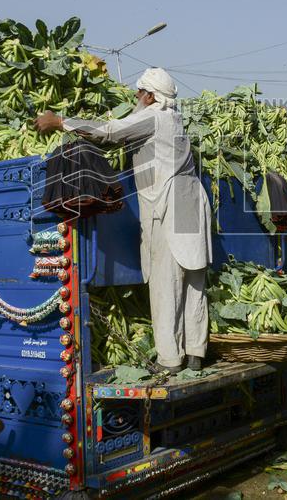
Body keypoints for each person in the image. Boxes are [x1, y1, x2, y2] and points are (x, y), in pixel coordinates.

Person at [34, 67, 212, 375]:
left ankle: (170, 358)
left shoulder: (153, 116)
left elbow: (110, 131)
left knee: (165, 279)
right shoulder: (175, 118)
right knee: (193, 276)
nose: (135, 96)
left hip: (167, 201)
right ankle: (196, 351)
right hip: (190, 199)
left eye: (139, 92)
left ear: (151, 96)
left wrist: (60, 121)